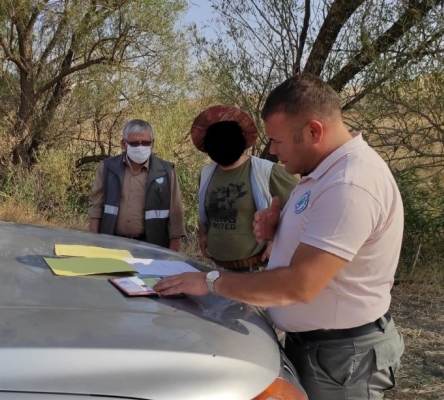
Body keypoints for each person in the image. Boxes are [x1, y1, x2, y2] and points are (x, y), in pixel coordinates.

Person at [154, 73, 405, 399]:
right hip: (321, 349)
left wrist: (211, 283)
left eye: (278, 141)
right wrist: (280, 228)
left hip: (342, 358)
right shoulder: (322, 172)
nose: (271, 151)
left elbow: (299, 284)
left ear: (314, 131)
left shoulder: (349, 184)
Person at [191, 105, 297, 272]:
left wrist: (278, 241)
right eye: (216, 139)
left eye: (227, 138)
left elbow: (302, 210)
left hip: (256, 270)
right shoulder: (206, 174)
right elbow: (205, 210)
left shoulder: (267, 172)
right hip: (217, 269)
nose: (222, 142)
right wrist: (203, 234)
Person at [88, 119, 186, 250]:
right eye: (134, 143)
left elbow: (176, 215)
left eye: (145, 143)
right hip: (112, 244)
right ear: (124, 144)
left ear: (153, 143)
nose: (140, 147)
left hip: (151, 247)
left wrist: (172, 254)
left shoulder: (166, 171)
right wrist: (94, 244)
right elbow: (95, 208)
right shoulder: (108, 168)